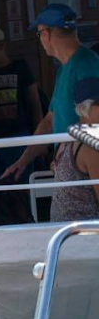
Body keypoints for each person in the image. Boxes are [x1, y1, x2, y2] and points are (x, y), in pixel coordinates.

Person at [4, 5, 99, 181]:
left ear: (46, 34)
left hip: (84, 172)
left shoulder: (86, 63)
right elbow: (50, 120)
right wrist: (23, 160)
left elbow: (94, 120)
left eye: (38, 34)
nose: (40, 39)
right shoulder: (64, 69)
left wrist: (69, 159)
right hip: (70, 167)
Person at [0, 24, 42, 225]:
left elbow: (35, 105)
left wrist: (39, 140)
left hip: (20, 138)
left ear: (1, 45)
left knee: (23, 188)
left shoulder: (20, 68)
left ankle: (28, 222)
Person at [49, 77, 99, 222]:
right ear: (85, 108)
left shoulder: (70, 137)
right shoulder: (91, 145)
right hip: (84, 236)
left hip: (63, 233)